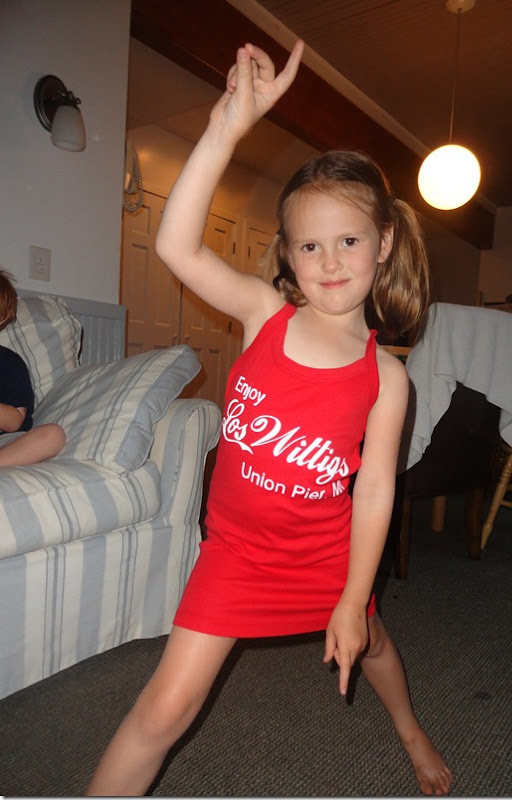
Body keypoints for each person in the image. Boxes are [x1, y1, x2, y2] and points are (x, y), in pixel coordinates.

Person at [86, 41, 452, 797]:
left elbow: (374, 490)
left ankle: (410, 727)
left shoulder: (386, 378)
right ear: (287, 254)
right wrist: (226, 126)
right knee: (162, 712)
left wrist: (351, 597)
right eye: (310, 245)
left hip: (328, 557)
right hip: (237, 554)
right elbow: (175, 245)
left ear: (383, 244)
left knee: (372, 644)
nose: (330, 261)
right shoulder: (263, 316)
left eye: (349, 240)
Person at [0, 270, 66, 467]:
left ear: (2, 317)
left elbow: (15, 422)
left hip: (5, 443)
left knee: (53, 435)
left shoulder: (9, 363)